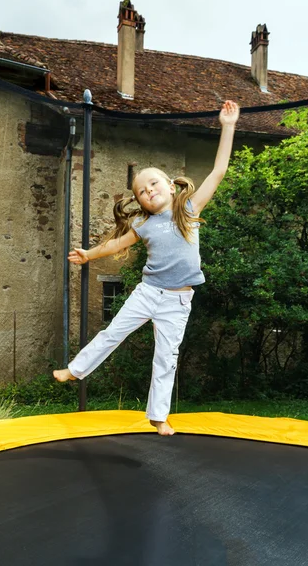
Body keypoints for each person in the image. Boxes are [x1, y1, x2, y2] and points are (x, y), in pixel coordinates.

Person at [54, 100, 240, 435]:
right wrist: (89, 255)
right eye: (141, 191)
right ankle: (75, 370)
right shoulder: (142, 224)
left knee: (166, 357)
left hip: (178, 301)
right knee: (113, 333)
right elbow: (115, 244)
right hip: (148, 292)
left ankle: (158, 416)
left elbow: (218, 172)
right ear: (139, 201)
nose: (147, 191)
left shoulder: (190, 209)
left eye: (153, 184)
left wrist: (227, 126)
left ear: (170, 186)